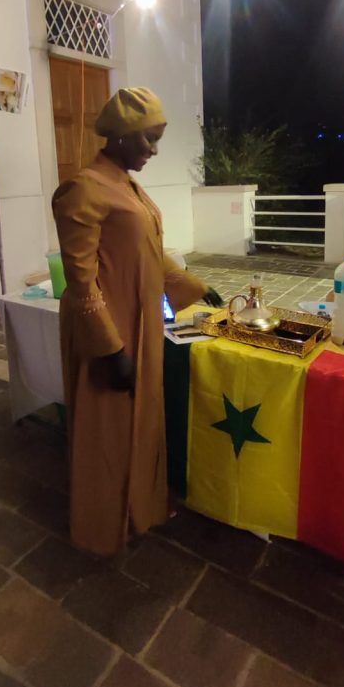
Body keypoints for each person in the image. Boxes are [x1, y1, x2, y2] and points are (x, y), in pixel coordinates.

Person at [52, 86, 222, 556]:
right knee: (107, 426)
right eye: (149, 139)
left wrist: (192, 285)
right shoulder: (84, 188)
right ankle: (103, 523)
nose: (154, 150)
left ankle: (141, 507)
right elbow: (80, 280)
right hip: (108, 326)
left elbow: (150, 251)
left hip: (142, 322)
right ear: (122, 135)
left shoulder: (130, 187)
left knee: (143, 417)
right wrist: (108, 347)